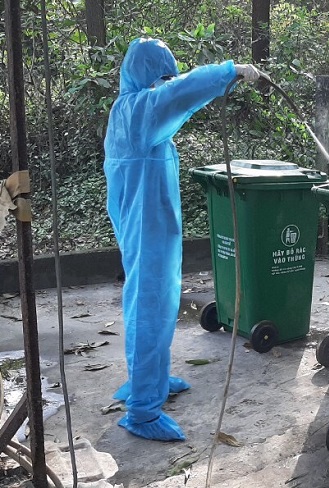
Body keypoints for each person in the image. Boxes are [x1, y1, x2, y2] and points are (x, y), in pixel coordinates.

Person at [103, 37, 261, 441]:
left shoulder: (128, 110)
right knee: (151, 304)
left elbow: (174, 96)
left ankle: (148, 378)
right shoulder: (140, 111)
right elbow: (180, 94)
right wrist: (229, 73)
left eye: (167, 77)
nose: (165, 84)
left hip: (145, 224)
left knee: (148, 301)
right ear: (144, 76)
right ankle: (142, 409)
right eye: (161, 77)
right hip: (148, 226)